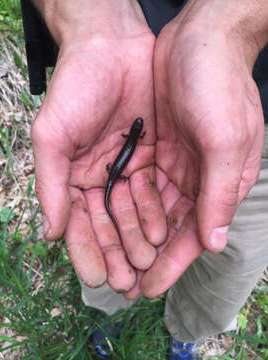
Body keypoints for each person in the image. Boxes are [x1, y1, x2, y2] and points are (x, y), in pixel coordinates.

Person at [21, 0, 268, 358]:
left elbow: (127, 147)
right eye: (137, 129)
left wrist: (232, 28)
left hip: (253, 109)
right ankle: (109, 314)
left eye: (136, 130)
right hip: (108, 83)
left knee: (231, 263)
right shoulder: (131, 137)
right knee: (107, 245)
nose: (136, 130)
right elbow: (130, 143)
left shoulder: (129, 140)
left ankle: (187, 330)